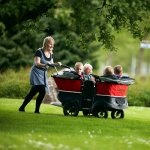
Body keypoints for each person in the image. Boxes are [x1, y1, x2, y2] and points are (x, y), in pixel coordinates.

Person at [19, 36, 61, 113]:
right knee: (42, 90)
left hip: (43, 74)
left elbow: (51, 64)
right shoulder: (39, 51)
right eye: (50, 44)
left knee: (34, 91)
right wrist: (45, 65)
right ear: (45, 44)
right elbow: (37, 63)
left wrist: (57, 64)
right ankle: (36, 110)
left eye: (52, 44)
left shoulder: (50, 53)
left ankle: (22, 107)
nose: (51, 46)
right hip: (36, 72)